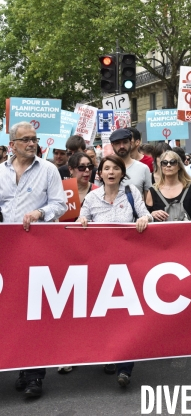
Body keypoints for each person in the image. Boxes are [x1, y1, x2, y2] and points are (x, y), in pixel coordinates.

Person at [0, 122, 67, 398]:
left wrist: (40, 214)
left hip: (38, 250)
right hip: (7, 252)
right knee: (12, 312)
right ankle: (19, 365)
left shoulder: (48, 169)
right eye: (25, 139)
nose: (31, 143)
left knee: (35, 312)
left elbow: (60, 204)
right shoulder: (0, 171)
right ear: (12, 144)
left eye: (34, 139)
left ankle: (34, 376)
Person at [78, 154, 152, 388]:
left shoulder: (131, 193)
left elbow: (145, 214)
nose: (111, 172)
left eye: (115, 168)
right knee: (104, 314)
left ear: (122, 172)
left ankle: (124, 368)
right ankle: (108, 354)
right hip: (99, 265)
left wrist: (145, 220)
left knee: (125, 316)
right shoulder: (91, 197)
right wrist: (81, 220)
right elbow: (82, 219)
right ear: (100, 173)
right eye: (106, 168)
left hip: (127, 265)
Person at [146, 151, 191, 221]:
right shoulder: (153, 191)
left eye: (172, 162)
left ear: (179, 166)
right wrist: (152, 214)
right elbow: (145, 215)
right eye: (164, 163)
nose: (168, 165)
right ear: (161, 166)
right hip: (161, 231)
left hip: (187, 230)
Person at [109, 129, 151, 198]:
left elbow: (148, 199)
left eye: (125, 142)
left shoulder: (143, 168)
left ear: (131, 143)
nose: (121, 146)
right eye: (117, 143)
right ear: (112, 145)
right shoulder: (105, 169)